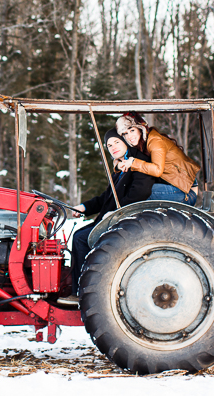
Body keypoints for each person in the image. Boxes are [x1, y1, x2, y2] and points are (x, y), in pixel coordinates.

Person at [58, 128, 155, 306]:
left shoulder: (138, 163)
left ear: (125, 141)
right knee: (79, 234)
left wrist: (120, 212)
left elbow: (140, 193)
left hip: (126, 221)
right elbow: (106, 198)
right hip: (112, 218)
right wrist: (84, 207)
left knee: (80, 238)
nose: (112, 147)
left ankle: (83, 292)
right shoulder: (121, 166)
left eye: (116, 142)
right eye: (109, 145)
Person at [115, 112, 201, 206]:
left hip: (186, 192)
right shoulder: (141, 144)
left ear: (140, 129)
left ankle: (124, 213)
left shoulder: (155, 141)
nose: (129, 136)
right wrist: (117, 164)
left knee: (141, 192)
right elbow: (125, 156)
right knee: (136, 188)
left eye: (132, 130)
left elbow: (157, 170)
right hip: (175, 188)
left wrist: (133, 162)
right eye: (125, 133)